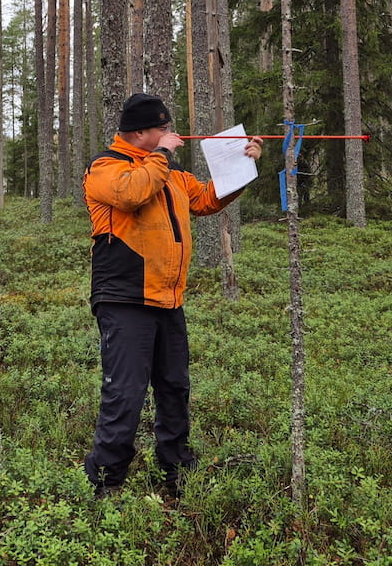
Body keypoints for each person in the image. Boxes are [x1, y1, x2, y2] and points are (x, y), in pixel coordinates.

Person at [82, 93, 262, 498]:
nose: (171, 133)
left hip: (169, 299)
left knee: (174, 387)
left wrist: (243, 166)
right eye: (163, 129)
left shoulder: (170, 173)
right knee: (124, 393)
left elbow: (205, 201)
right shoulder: (105, 167)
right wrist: (162, 155)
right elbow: (131, 195)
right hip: (125, 299)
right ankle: (105, 481)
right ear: (141, 132)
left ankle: (177, 469)